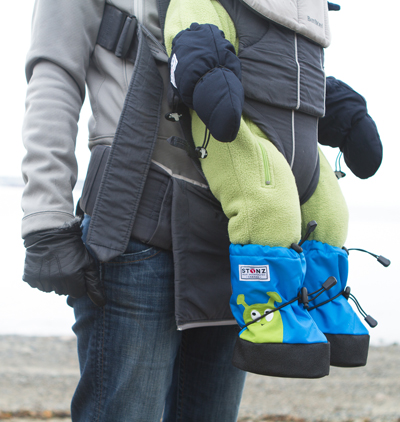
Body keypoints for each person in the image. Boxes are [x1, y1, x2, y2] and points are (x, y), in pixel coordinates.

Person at [21, 0, 383, 420]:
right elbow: (55, 72)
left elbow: (259, 62)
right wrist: (45, 219)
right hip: (139, 230)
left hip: (237, 237)